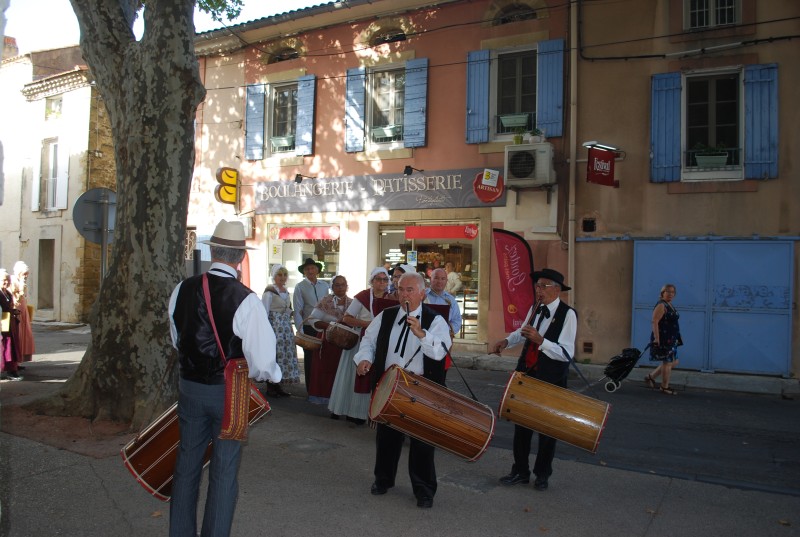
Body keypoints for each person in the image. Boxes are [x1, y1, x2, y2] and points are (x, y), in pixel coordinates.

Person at [168, 220, 281, 537]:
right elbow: (263, 363)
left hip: (189, 388)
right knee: (224, 470)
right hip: (228, 392)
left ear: (212, 252)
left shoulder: (181, 289)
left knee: (187, 465)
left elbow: (177, 339)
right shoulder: (246, 299)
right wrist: (267, 375)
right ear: (240, 256)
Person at [354, 271, 451, 509]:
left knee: (422, 443)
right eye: (400, 289)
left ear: (422, 293)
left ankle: (424, 490)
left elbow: (440, 351)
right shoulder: (386, 315)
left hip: (421, 388)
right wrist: (364, 358)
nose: (404, 295)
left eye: (410, 290)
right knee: (387, 438)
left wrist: (422, 334)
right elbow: (368, 340)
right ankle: (383, 479)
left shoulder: (435, 321)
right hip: (390, 385)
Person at [490, 268, 576, 492]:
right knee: (522, 425)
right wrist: (506, 341)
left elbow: (566, 353)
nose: (539, 290)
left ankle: (542, 474)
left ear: (556, 289)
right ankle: (520, 471)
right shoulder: (535, 308)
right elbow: (523, 332)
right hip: (526, 375)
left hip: (551, 379)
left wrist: (541, 341)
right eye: (537, 286)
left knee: (547, 430)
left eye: (543, 286)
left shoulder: (568, 315)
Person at [329, 267, 396, 425]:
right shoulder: (363, 297)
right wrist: (368, 324)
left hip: (380, 342)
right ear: (372, 281)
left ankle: (363, 413)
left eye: (385, 279)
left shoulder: (391, 298)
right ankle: (347, 410)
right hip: (361, 341)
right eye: (378, 279)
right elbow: (347, 318)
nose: (382, 282)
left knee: (373, 378)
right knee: (352, 378)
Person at [306, 275, 352, 406]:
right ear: (332, 287)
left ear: (347, 286)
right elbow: (312, 319)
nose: (340, 287)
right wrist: (330, 326)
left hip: (344, 344)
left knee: (341, 371)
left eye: (343, 285)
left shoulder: (352, 303)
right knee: (325, 370)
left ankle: (340, 398)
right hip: (327, 343)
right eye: (337, 285)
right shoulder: (325, 302)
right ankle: (325, 397)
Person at [261, 264, 299, 397]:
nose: (282, 278)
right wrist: (265, 330)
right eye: (279, 275)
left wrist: (291, 313)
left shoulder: (286, 291)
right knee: (274, 355)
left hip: (285, 327)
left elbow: (287, 309)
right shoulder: (269, 292)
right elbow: (264, 311)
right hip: (274, 326)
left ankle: (278, 385)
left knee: (283, 355)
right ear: (274, 276)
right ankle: (271, 386)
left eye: (284, 275)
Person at [293, 258, 331, 390]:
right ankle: (311, 389)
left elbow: (328, 306)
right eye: (307, 269)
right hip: (308, 326)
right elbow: (298, 310)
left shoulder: (324, 286)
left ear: (317, 270)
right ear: (304, 272)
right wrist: (300, 330)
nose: (310, 271)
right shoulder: (300, 286)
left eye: (312, 268)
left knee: (323, 357)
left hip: (322, 326)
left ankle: (322, 387)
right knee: (309, 358)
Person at [644, 283, 683, 395]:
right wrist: (657, 338)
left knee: (674, 361)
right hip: (664, 338)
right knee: (667, 362)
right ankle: (664, 387)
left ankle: (650, 377)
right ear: (662, 293)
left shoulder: (668, 304)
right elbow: (654, 321)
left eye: (672, 292)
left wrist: (677, 335)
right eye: (668, 291)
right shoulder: (661, 305)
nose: (670, 294)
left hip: (672, 338)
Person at [425, 268, 462, 381]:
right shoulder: (422, 296)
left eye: (442, 279)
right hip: (423, 340)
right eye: (436, 278)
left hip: (442, 343)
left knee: (439, 377)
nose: (439, 281)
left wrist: (448, 331)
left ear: (446, 281)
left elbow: (457, 321)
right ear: (431, 279)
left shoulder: (450, 300)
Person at [1, 269, 23, 381]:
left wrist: (14, 311)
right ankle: (9, 371)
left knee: (10, 346)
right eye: (4, 280)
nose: (6, 282)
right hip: (2, 324)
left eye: (8, 280)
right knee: (4, 347)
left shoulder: (7, 293)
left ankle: (12, 369)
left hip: (10, 323)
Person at [12, 261, 34, 365]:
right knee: (18, 335)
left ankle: (20, 359)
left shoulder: (22, 282)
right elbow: (15, 297)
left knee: (24, 335)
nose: (26, 276)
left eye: (27, 274)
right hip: (16, 311)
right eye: (24, 274)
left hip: (23, 310)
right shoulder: (13, 281)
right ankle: (16, 361)